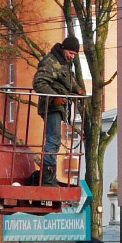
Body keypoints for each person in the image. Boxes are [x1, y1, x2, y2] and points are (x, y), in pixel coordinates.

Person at [33, 35, 86, 185]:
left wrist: (78, 90)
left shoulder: (64, 63)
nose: (72, 56)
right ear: (63, 49)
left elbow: (68, 80)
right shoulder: (51, 62)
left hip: (59, 106)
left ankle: (49, 176)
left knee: (55, 140)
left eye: (74, 54)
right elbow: (39, 82)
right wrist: (54, 97)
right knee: (53, 140)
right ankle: (47, 178)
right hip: (51, 107)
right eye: (70, 53)